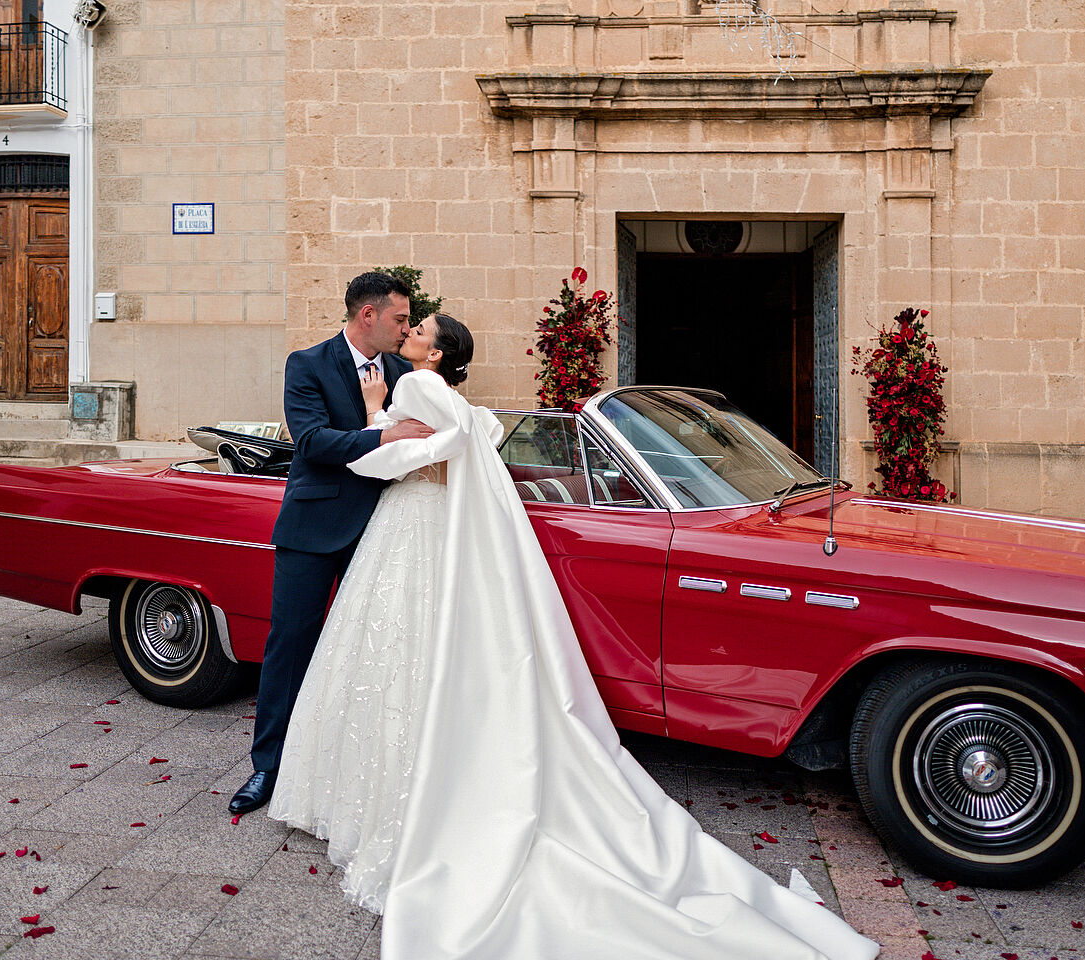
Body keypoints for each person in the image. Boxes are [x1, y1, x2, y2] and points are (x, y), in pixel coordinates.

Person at [268, 312, 879, 960]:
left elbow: (400, 455)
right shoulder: (438, 392)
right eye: (408, 321)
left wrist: (376, 424)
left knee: (394, 657)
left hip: (410, 523)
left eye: (420, 327)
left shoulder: (417, 385)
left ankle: (385, 791)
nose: (411, 328)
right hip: (420, 525)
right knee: (416, 656)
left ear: (438, 352)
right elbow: (459, 440)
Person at [229, 272, 435, 816]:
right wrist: (382, 434)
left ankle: (344, 770)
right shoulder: (307, 364)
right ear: (368, 315)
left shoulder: (404, 373)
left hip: (382, 529)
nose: (405, 328)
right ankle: (268, 766)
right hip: (314, 527)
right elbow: (313, 441)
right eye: (399, 319)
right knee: (290, 642)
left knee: (368, 650)